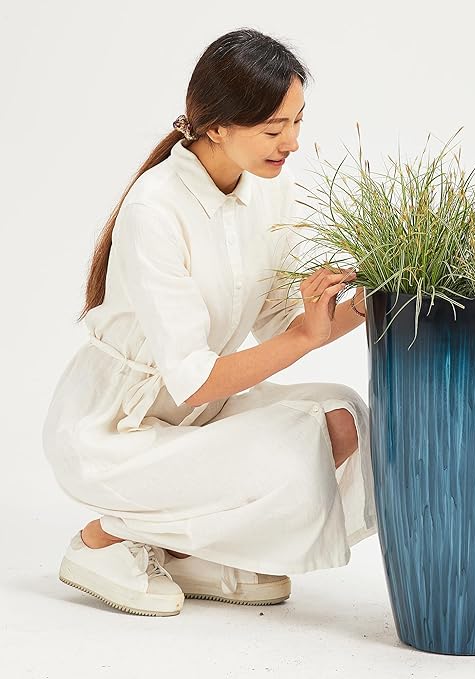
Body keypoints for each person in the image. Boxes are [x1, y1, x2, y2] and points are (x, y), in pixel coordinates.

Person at [42, 28, 377, 617]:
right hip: (117, 429)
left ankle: (185, 551)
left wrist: (369, 302)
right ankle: (103, 540)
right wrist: (304, 337)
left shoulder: (271, 190)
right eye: (273, 129)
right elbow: (194, 378)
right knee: (291, 452)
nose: (292, 142)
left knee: (341, 416)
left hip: (200, 413)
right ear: (216, 127)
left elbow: (280, 322)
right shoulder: (155, 209)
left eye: (298, 122)